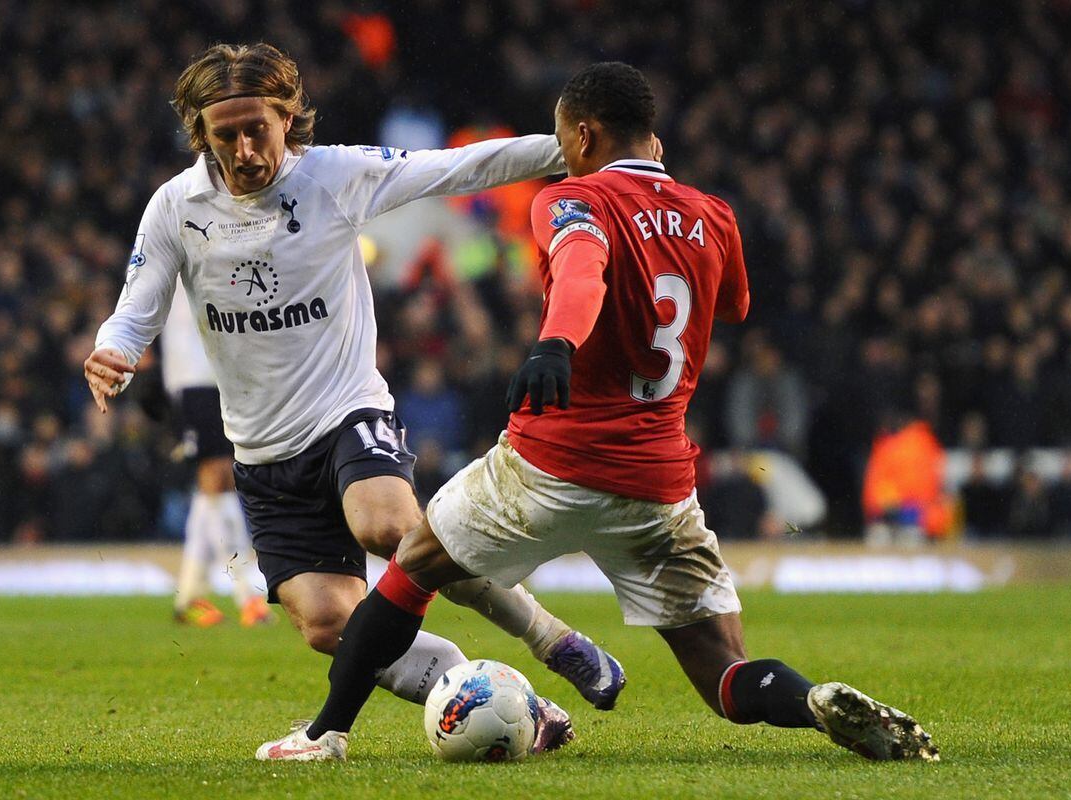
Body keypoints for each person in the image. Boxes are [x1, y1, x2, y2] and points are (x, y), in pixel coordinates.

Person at [287, 62, 940, 763]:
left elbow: (580, 270)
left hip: (549, 465)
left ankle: (324, 734)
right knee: (724, 672)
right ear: (653, 140)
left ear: (585, 133)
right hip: (657, 484)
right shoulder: (712, 213)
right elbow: (736, 305)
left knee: (410, 571)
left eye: (565, 138)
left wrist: (556, 344)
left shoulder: (573, 199)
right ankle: (811, 703)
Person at [83, 43, 623, 759]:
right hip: (263, 450)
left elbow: (461, 167)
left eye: (259, 130)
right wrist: (114, 349)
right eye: (226, 135)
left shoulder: (333, 174)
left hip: (346, 411)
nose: (246, 150)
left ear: (287, 119)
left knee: (391, 530)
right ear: (201, 134)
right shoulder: (177, 208)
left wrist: (578, 153)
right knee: (329, 626)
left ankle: (551, 637)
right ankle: (502, 700)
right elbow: (136, 306)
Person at [161, 277, 271, 627]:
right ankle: (248, 594)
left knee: (212, 489)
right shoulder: (186, 231)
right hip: (195, 376)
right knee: (219, 478)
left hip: (222, 375)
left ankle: (190, 597)